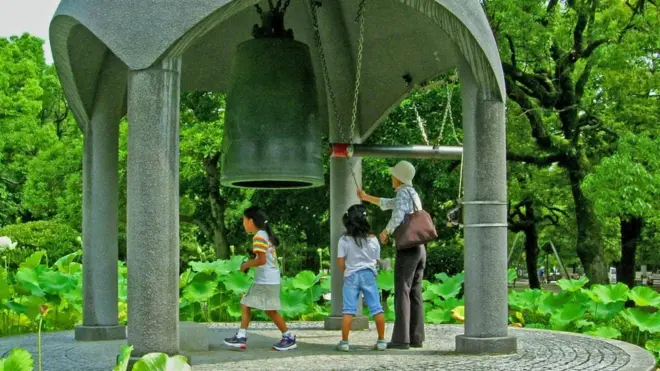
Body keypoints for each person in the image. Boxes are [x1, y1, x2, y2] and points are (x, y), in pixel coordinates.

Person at [358, 160, 425, 350]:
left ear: (399, 177)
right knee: (414, 293)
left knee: (402, 291)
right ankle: (416, 337)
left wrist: (386, 231)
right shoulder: (411, 193)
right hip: (420, 248)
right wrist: (366, 197)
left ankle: (400, 339)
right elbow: (388, 203)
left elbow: (397, 215)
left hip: (408, 248)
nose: (391, 177)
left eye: (393, 175)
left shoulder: (404, 192)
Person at [224, 206, 297, 351]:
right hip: (270, 279)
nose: (243, 224)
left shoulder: (258, 237)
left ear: (251, 221)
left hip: (265, 281)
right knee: (268, 310)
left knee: (247, 304)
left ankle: (242, 336)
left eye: (244, 221)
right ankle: (286, 336)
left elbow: (262, 260)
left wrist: (246, 265)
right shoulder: (264, 235)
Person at [336, 204, 387, 352]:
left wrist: (348, 271)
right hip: (369, 274)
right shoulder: (373, 239)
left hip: (351, 275)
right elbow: (377, 260)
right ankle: (382, 341)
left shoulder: (344, 240)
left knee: (348, 310)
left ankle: (345, 343)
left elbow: (340, 261)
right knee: (377, 309)